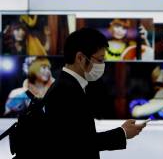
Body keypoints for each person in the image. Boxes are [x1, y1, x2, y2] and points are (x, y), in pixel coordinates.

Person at [34, 28, 146, 159]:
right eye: (99, 60)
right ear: (80, 58)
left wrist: (122, 131)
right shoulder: (65, 90)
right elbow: (76, 144)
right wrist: (122, 133)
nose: (102, 65)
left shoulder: (70, 85)